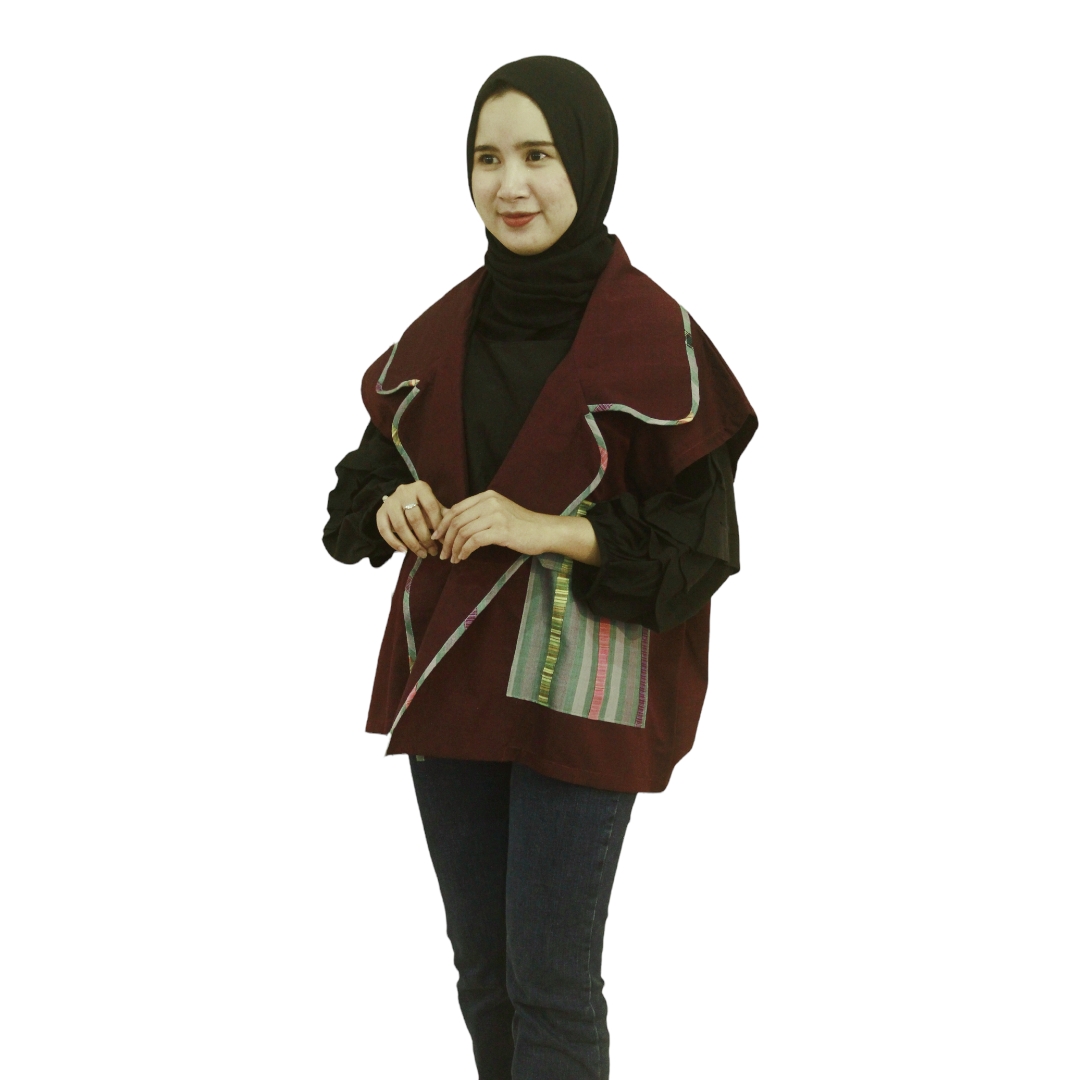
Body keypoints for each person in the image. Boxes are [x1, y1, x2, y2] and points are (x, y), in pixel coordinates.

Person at [323, 56, 757, 1080]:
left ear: (588, 165)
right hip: (457, 681)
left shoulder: (655, 336)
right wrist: (389, 505)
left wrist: (544, 528)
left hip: (579, 682)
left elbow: (696, 544)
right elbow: (358, 492)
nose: (510, 184)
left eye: (538, 155)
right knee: (484, 973)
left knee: (552, 984)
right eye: (487, 158)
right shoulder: (442, 331)